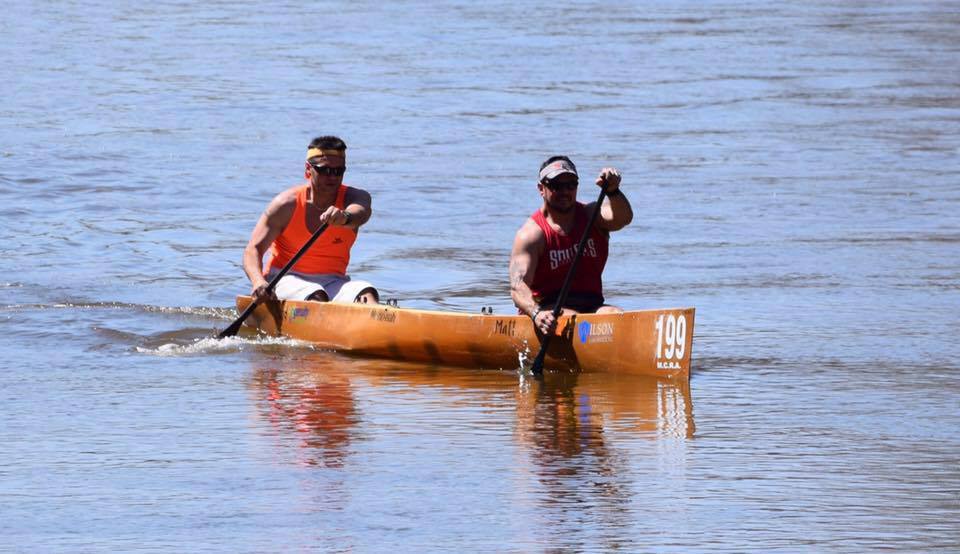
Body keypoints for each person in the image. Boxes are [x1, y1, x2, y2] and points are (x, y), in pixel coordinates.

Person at [243, 135, 378, 304]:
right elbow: (253, 249)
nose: (332, 177)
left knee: (367, 293)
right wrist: (258, 282)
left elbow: (361, 213)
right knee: (316, 295)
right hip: (284, 279)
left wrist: (344, 218)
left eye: (338, 171)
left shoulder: (355, 197)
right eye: (325, 170)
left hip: (334, 281)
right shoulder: (285, 204)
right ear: (308, 169)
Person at [510, 155, 633, 336]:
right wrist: (536, 314)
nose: (565, 191)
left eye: (571, 185)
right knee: (575, 320)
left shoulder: (592, 215)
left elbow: (623, 218)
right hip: (548, 310)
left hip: (592, 305)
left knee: (616, 316)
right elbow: (517, 286)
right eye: (556, 186)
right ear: (541, 189)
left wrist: (613, 191)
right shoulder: (531, 235)